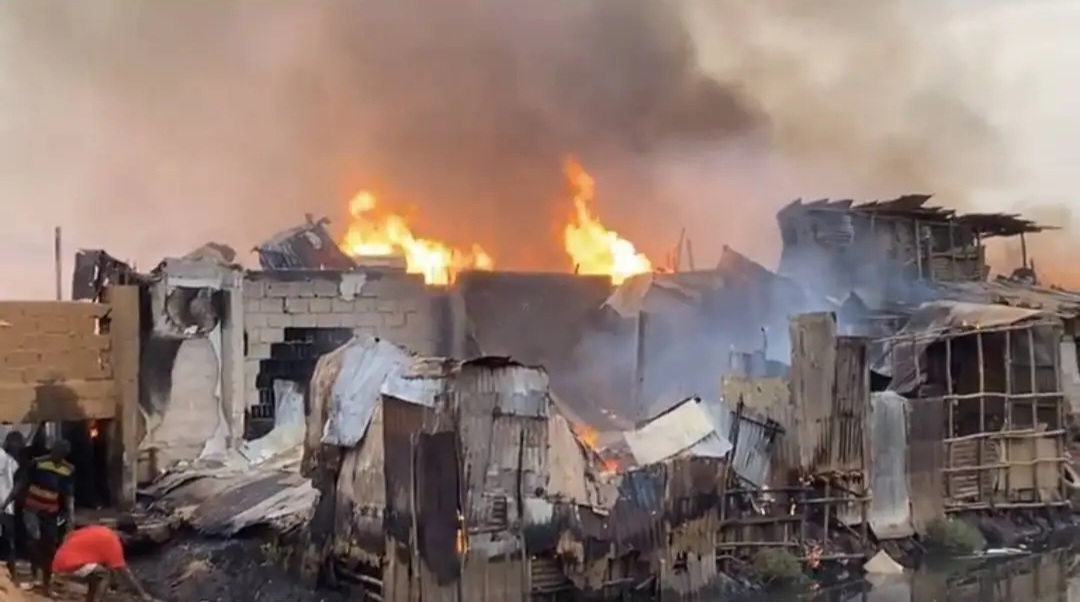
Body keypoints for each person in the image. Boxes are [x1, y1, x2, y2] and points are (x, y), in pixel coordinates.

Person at [52, 518, 160, 602]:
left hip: (59, 559)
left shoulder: (101, 530)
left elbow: (70, 536)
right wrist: (142, 594)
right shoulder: (113, 542)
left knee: (95, 575)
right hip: (68, 566)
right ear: (125, 535)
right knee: (104, 575)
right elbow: (125, 572)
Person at [18, 439, 74, 595]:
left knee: (49, 546)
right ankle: (35, 575)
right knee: (33, 539)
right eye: (56, 451)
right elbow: (23, 483)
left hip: (51, 511)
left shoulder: (68, 469)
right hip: (31, 508)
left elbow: (68, 494)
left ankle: (46, 583)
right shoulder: (38, 463)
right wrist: (12, 501)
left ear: (65, 455)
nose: (57, 455)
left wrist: (70, 516)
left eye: (61, 453)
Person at [0, 430, 25, 581]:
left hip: (6, 508)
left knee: (9, 541)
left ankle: (12, 574)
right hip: (5, 507)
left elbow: (17, 484)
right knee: (8, 541)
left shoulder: (12, 461)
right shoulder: (4, 458)